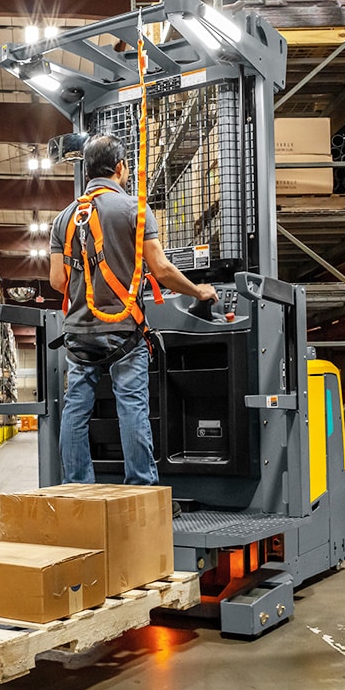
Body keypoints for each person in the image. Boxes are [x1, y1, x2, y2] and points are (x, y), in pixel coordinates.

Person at [48, 134, 218, 485]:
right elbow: (163, 270)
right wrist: (198, 290)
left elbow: (56, 281)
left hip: (78, 333)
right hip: (124, 331)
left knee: (76, 410)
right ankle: (141, 488)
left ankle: (78, 488)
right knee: (132, 408)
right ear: (121, 168)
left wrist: (87, 292)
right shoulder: (133, 210)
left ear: (87, 168)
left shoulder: (64, 218)